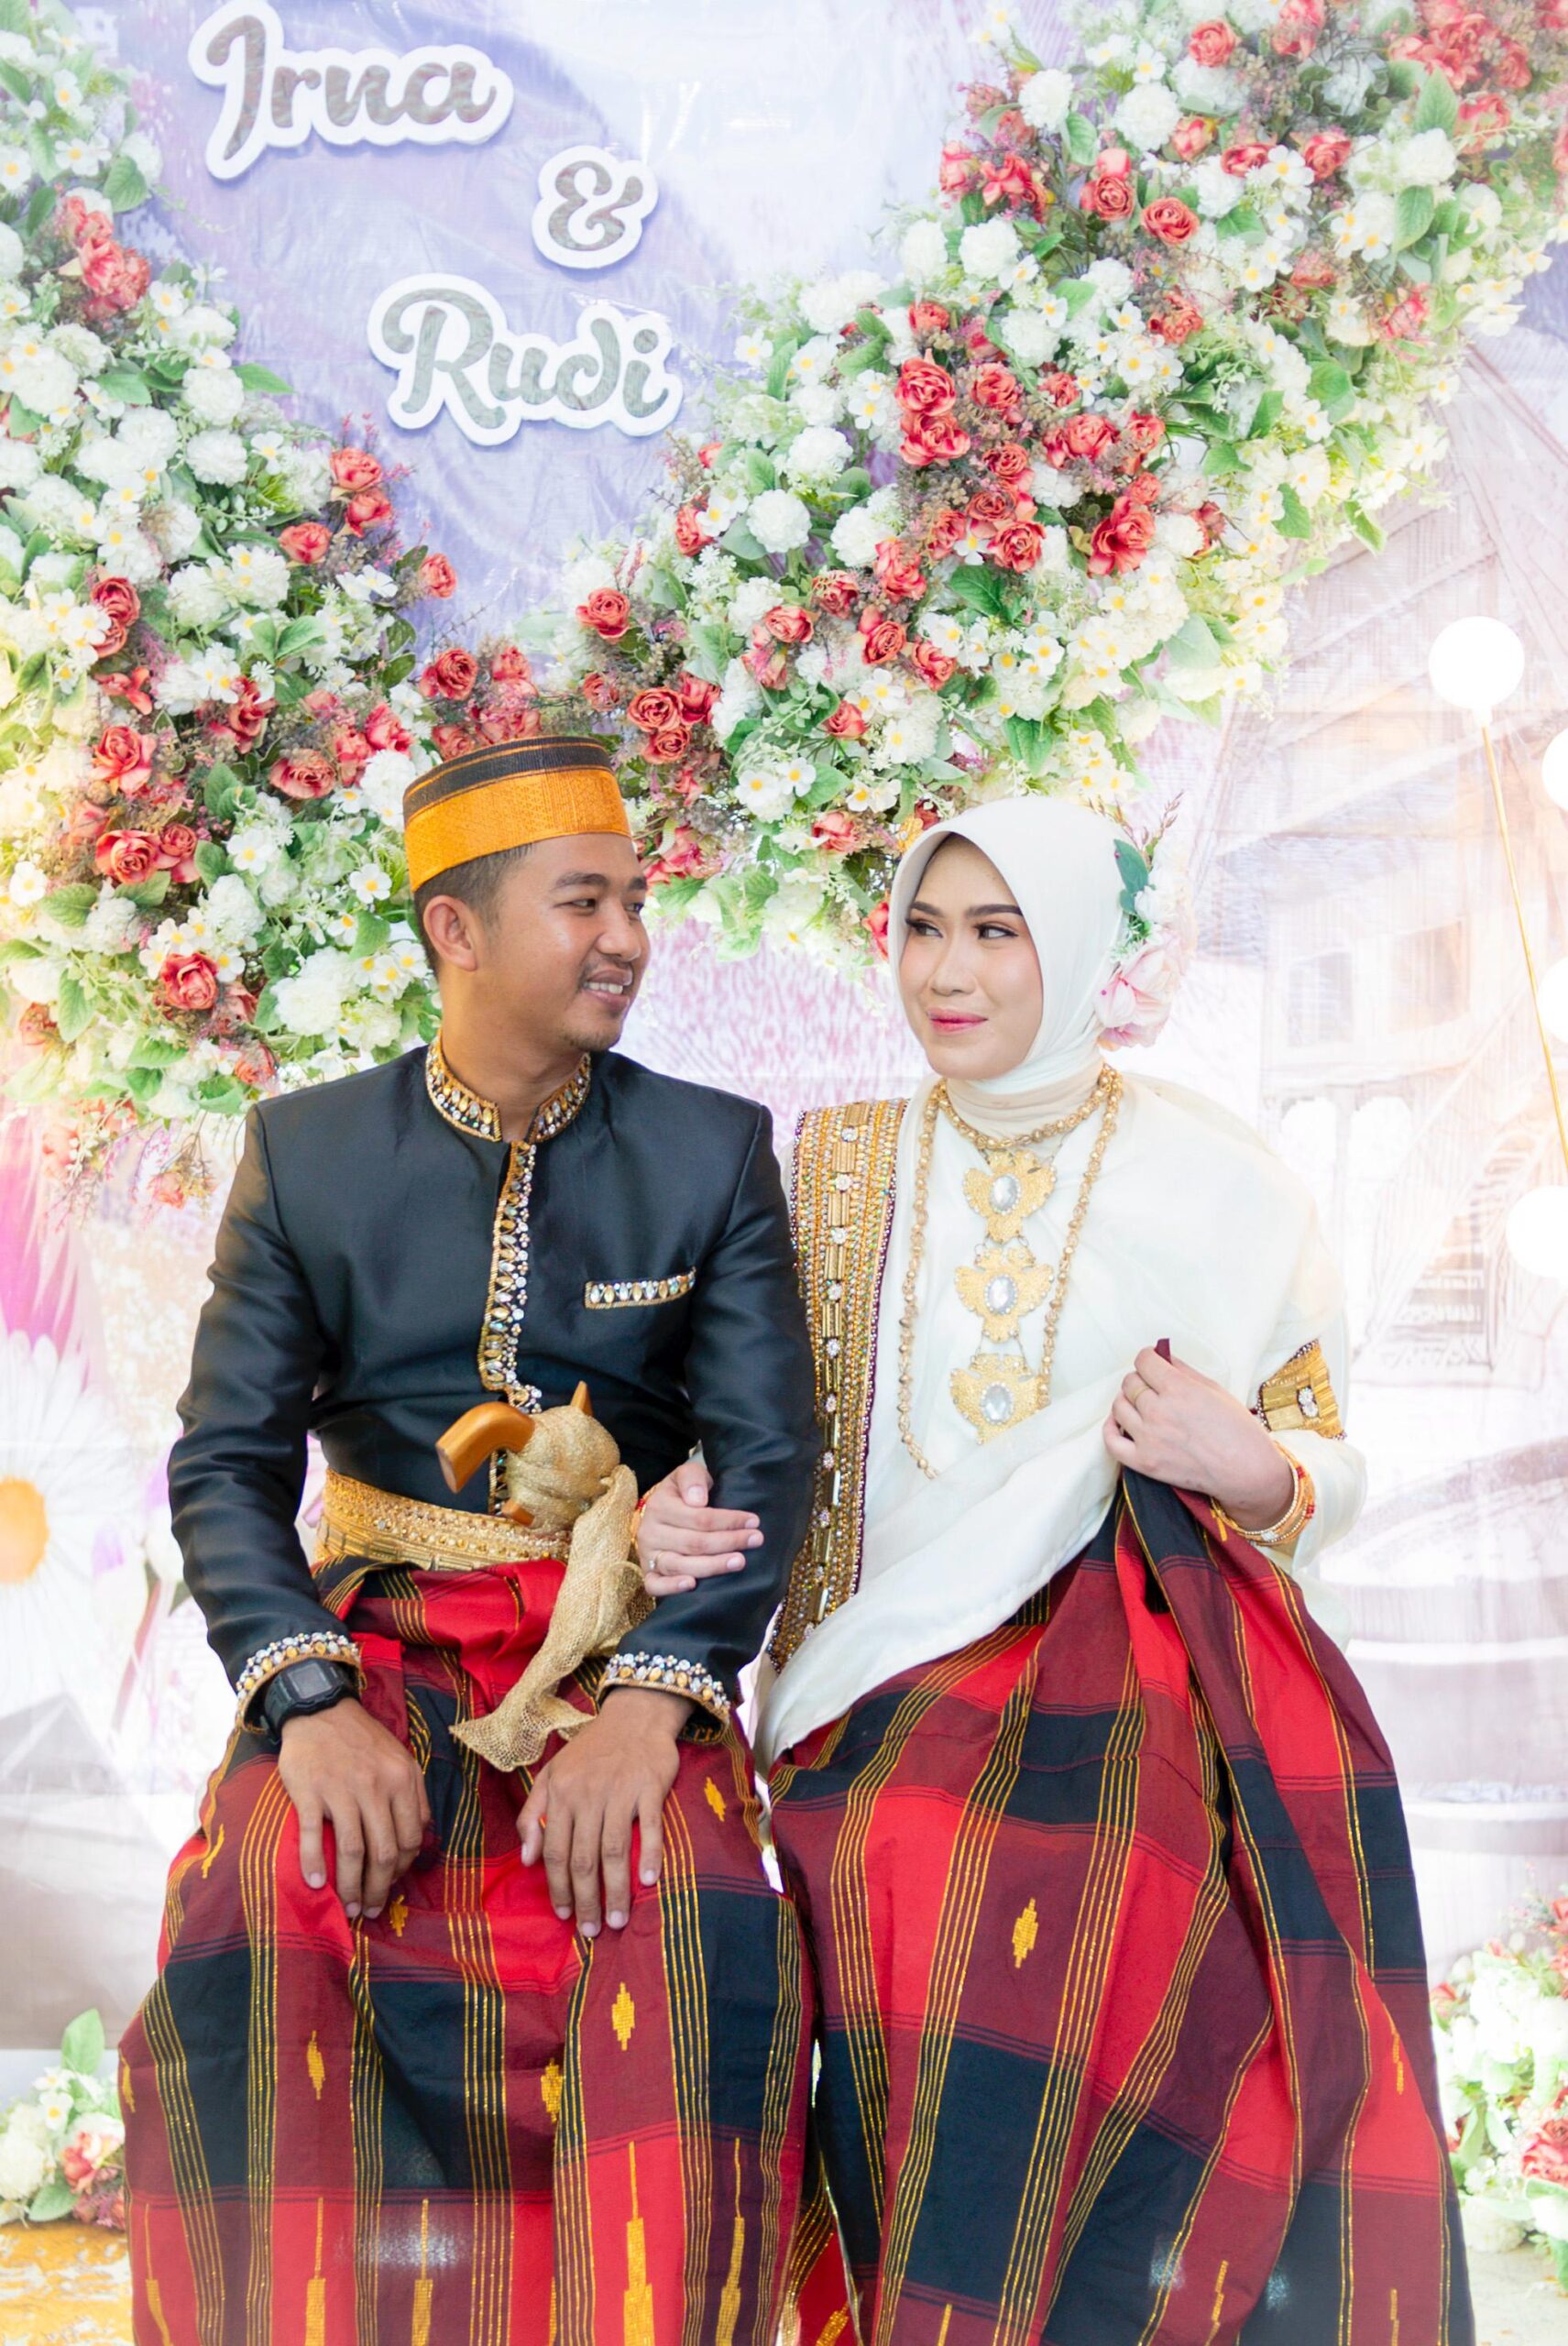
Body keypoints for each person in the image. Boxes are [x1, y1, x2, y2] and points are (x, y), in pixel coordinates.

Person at [639, 797, 1470, 2346]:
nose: (944, 973)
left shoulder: (1220, 1182)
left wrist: (1253, 1467)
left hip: (1128, 1660)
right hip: (864, 1676)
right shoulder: (834, 1168)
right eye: (922, 929)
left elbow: (1322, 1456)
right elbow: (746, 1425)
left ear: (1085, 950)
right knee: (886, 1844)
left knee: (1097, 1885)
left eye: (995, 932)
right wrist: (673, 1505)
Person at [120, 733, 820, 2346]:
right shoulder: (307, 1153)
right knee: (263, 1893)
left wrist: (651, 1709)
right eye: (585, 902)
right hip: (379, 1639)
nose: (628, 937)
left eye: (635, 900)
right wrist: (307, 1704)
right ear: (457, 929)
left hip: (619, 1650)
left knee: (688, 1913)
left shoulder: (709, 1149)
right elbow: (225, 1461)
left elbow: (768, 1457)